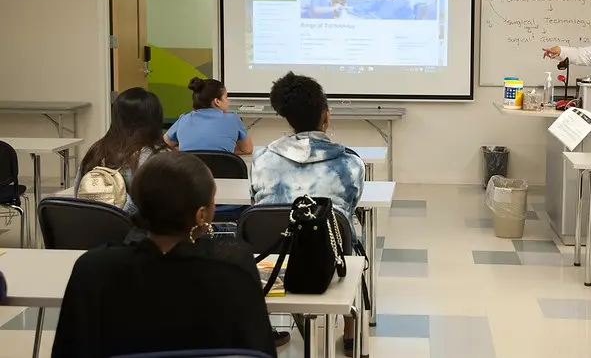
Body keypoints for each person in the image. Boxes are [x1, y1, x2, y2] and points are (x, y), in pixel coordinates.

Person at [52, 152, 278, 358]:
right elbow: (260, 351)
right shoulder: (235, 268)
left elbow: (68, 350)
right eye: (213, 199)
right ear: (201, 215)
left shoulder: (93, 270)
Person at [251, 71, 364, 357]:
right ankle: (351, 333)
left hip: (272, 258)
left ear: (287, 119)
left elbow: (256, 204)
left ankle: (265, 329)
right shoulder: (350, 163)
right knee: (352, 231)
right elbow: (348, 210)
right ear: (325, 116)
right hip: (327, 256)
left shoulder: (262, 159)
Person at [75, 87, 166, 214]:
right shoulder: (157, 158)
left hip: (91, 230)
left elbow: (78, 195)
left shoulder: (96, 151)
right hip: (136, 232)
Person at [164, 78, 253, 155]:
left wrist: (185, 150)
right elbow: (247, 149)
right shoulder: (233, 118)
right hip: (223, 173)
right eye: (226, 97)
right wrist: (225, 152)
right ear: (217, 101)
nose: (228, 101)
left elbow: (164, 145)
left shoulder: (184, 118)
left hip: (191, 172)